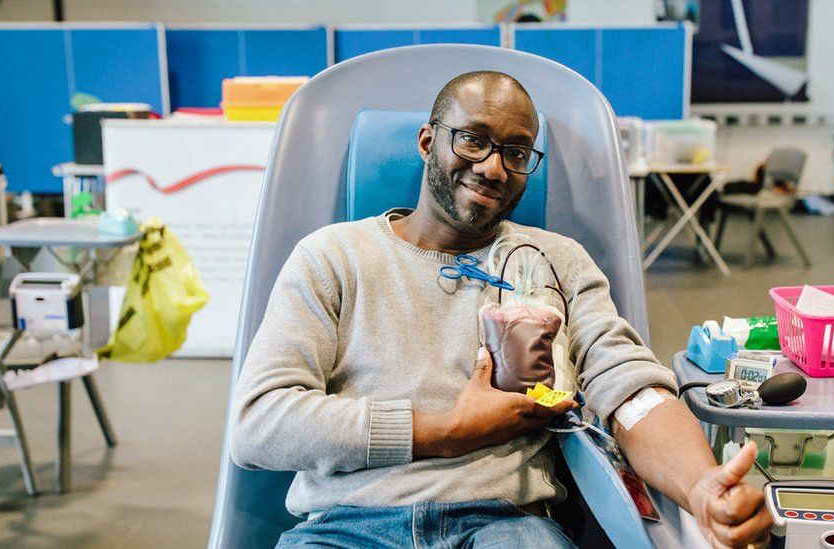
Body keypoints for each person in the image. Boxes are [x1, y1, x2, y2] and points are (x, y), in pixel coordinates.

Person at [230, 70, 772, 548]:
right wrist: (446, 429)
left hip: (506, 525)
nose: (493, 169)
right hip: (346, 526)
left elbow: (630, 391)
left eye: (516, 153)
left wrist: (701, 487)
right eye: (473, 141)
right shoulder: (334, 257)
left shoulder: (555, 262)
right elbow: (259, 424)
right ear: (427, 141)